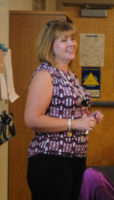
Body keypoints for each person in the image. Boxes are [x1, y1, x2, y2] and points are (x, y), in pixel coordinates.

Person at [24, 20, 104, 200]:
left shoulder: (69, 74)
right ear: (50, 46)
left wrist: (89, 117)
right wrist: (75, 123)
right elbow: (31, 119)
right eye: (63, 40)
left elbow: (67, 112)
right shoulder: (45, 74)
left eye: (72, 39)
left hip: (74, 158)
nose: (71, 44)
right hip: (52, 160)